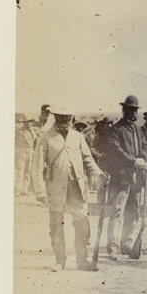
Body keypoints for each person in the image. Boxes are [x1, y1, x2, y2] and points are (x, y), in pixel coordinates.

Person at [33, 105, 105, 271]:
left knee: (82, 223)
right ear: (55, 118)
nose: (65, 122)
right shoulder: (46, 138)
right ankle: (60, 260)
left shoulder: (78, 137)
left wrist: (99, 174)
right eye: (61, 118)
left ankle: (82, 260)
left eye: (67, 118)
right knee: (56, 224)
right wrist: (40, 191)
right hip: (56, 188)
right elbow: (36, 166)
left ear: (71, 118)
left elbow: (88, 160)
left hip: (77, 188)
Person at [105, 95, 147, 260]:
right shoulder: (116, 129)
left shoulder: (138, 130)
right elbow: (115, 151)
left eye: (135, 110)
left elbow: (145, 146)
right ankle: (112, 247)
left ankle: (127, 243)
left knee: (134, 211)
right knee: (117, 211)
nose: (132, 113)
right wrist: (133, 161)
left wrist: (144, 158)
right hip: (121, 177)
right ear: (124, 110)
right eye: (129, 109)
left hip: (137, 178)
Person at [15, 114, 34, 196]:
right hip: (21, 152)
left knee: (27, 171)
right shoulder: (19, 131)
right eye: (27, 122)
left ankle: (24, 189)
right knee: (20, 171)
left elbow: (34, 141)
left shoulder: (32, 132)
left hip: (29, 152)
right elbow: (16, 142)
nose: (29, 124)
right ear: (24, 123)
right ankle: (17, 190)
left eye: (30, 122)